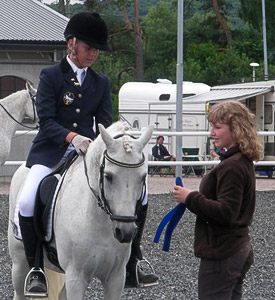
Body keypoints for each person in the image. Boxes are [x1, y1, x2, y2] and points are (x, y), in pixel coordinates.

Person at [17, 12, 157, 297]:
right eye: (88, 47)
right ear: (72, 44)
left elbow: (106, 120)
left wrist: (117, 140)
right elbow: (46, 119)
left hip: (90, 153)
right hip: (51, 151)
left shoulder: (101, 82)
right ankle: (36, 269)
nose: (93, 53)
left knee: (140, 194)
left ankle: (134, 260)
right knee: (27, 199)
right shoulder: (51, 76)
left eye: (96, 49)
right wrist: (72, 137)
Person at [174, 101, 263, 300]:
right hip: (235, 248)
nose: (212, 132)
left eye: (217, 127)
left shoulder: (232, 166)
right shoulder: (240, 161)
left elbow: (226, 212)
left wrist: (190, 197)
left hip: (224, 252)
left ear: (236, 129)